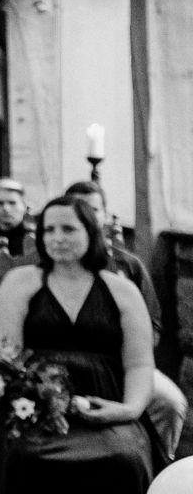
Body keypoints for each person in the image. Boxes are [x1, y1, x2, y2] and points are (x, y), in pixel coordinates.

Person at [0, 196, 171, 494]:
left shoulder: (121, 289)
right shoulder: (21, 282)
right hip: (34, 403)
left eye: (68, 229)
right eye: (49, 230)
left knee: (126, 458)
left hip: (107, 400)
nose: (57, 238)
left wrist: (128, 410)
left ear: (91, 233)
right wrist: (40, 398)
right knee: (28, 458)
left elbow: (140, 362)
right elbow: (7, 357)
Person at [62, 181, 185, 452]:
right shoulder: (53, 264)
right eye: (78, 212)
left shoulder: (128, 266)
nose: (88, 218)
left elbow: (152, 327)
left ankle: (155, 469)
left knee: (171, 403)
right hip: (61, 363)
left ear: (105, 215)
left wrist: (125, 354)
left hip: (125, 362)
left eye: (94, 210)